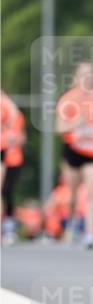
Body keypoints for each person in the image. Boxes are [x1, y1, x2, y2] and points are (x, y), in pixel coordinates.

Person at [55, 61, 93, 248]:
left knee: (91, 193)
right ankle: (71, 226)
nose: (87, 77)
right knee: (72, 195)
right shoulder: (68, 99)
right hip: (73, 150)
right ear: (76, 78)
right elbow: (59, 127)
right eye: (83, 74)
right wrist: (77, 124)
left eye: (90, 74)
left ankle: (90, 234)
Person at [1, 91, 26, 243]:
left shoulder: (14, 115)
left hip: (13, 159)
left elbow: (22, 137)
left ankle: (8, 226)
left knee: (7, 191)